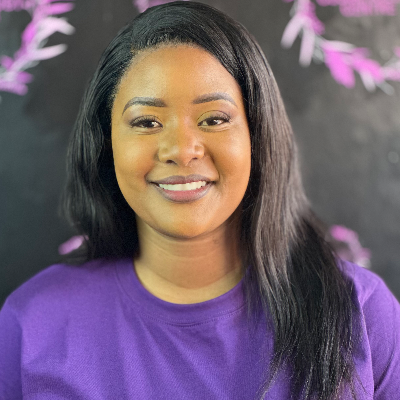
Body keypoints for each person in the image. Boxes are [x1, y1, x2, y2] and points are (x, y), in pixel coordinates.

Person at [1, 2, 399, 399]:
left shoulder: (362, 312)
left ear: (256, 136)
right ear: (107, 144)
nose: (181, 150)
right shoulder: (30, 324)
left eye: (214, 119)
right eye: (147, 122)